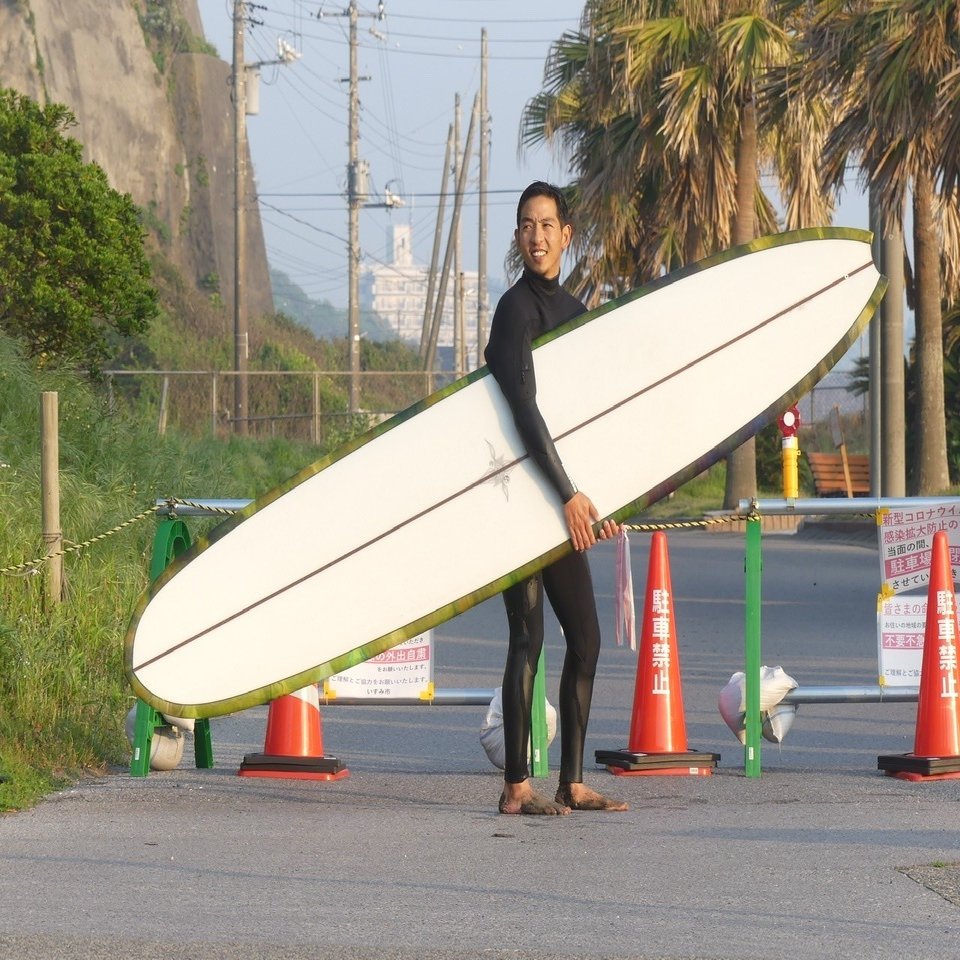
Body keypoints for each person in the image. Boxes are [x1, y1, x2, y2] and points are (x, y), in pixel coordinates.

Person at [484, 181, 628, 816]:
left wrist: (600, 497)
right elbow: (522, 407)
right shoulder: (515, 311)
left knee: (588, 639)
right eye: (526, 225)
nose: (536, 236)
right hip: (522, 498)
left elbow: (585, 421)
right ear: (518, 237)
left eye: (547, 225)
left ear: (567, 236)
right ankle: (517, 786)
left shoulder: (575, 315)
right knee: (528, 637)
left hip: (565, 500)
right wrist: (568, 494)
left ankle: (571, 780)